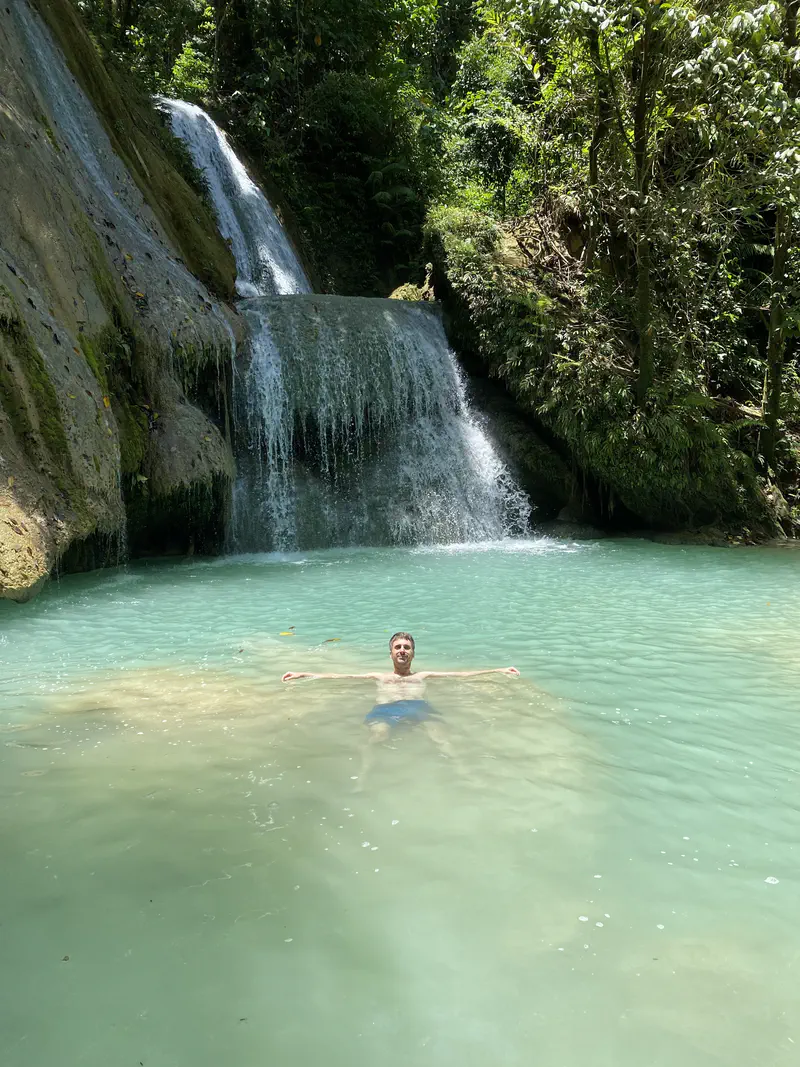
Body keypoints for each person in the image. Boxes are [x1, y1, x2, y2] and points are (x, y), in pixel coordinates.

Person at [282, 632, 519, 764]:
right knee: (378, 736)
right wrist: (303, 674)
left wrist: (498, 670)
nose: (402, 650)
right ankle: (363, 775)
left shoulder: (424, 675)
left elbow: (462, 674)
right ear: (391, 654)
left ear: (413, 653)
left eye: (406, 647)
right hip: (386, 709)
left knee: (440, 737)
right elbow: (340, 676)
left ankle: (462, 772)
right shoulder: (379, 676)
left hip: (419, 707)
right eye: (398, 647)